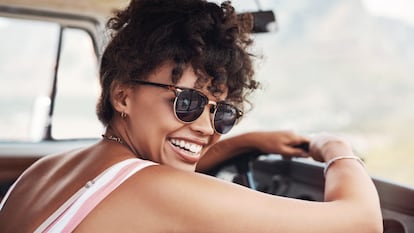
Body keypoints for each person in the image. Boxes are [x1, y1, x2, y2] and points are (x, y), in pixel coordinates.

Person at [0, 0, 382, 232]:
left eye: (222, 113)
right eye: (187, 102)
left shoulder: (46, 171)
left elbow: (158, 179)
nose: (205, 128)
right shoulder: (150, 189)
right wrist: (335, 147)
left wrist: (248, 141)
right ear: (122, 95)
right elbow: (361, 223)